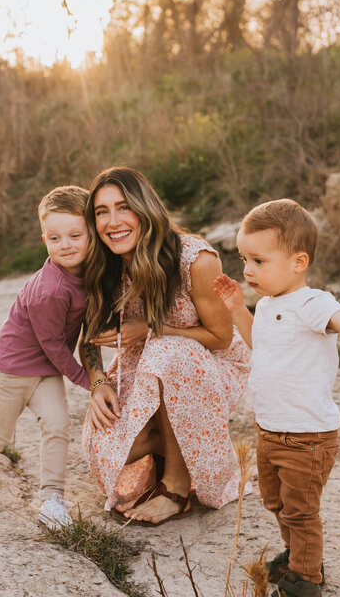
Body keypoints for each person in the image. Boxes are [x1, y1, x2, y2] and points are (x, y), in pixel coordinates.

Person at [213, 198, 340, 597]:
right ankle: (297, 555)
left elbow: (339, 316)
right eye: (244, 259)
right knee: (278, 503)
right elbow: (263, 347)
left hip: (307, 438)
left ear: (298, 262)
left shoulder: (311, 302)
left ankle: (305, 580)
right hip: (270, 432)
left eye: (258, 260)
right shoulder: (271, 303)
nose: (247, 269)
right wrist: (238, 310)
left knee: (301, 512)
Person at [80, 166, 252, 525]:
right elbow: (90, 339)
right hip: (146, 371)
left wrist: (152, 329)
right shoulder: (106, 264)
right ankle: (184, 447)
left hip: (207, 365)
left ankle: (176, 487)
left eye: (123, 207)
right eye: (101, 211)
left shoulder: (196, 259)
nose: (113, 221)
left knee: (166, 350)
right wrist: (98, 383)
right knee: (102, 450)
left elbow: (220, 338)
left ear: (144, 208)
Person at [0, 186, 93, 529]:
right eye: (55, 238)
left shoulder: (86, 273)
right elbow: (53, 345)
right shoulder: (50, 291)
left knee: (57, 425)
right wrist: (87, 379)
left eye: (74, 235)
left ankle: (52, 499)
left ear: (91, 235)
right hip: (11, 371)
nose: (65, 244)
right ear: (44, 239)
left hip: (45, 372)